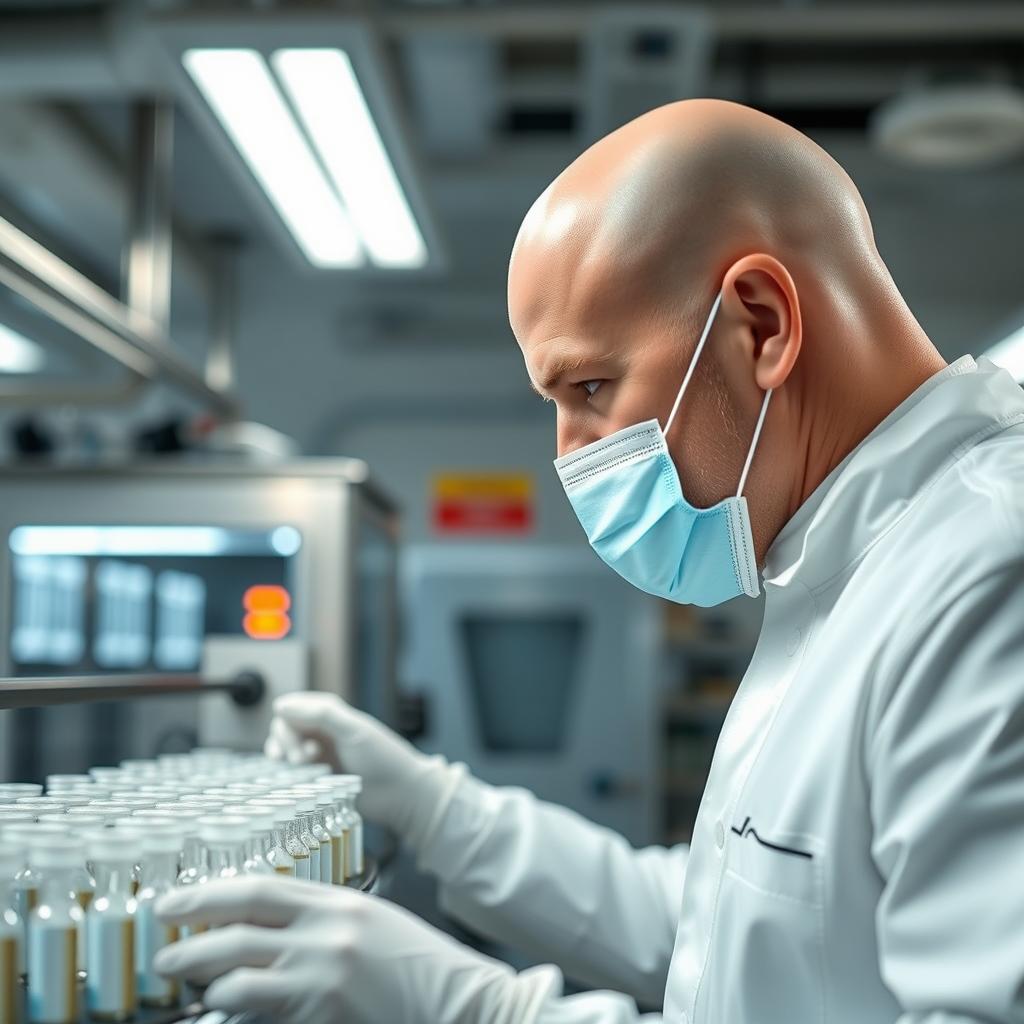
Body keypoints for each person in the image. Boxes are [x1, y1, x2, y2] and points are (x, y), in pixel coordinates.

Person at [154, 99, 1024, 1022]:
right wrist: (437, 808)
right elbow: (727, 922)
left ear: (763, 325)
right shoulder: (842, 567)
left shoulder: (987, 573)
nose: (570, 455)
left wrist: (488, 1013)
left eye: (592, 387)